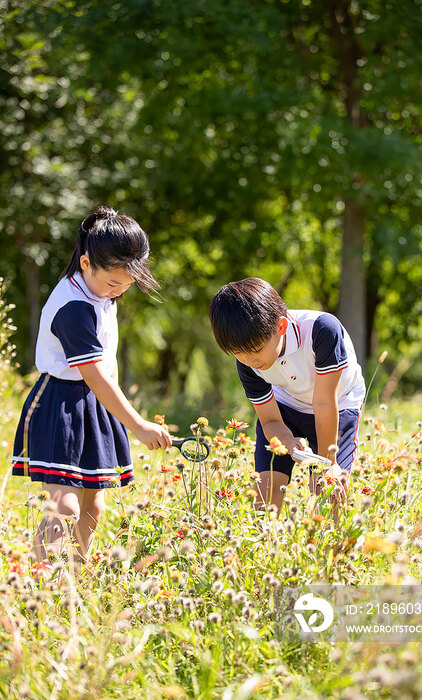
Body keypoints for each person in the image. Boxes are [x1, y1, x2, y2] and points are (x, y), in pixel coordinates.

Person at [11, 207, 172, 568]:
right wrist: (139, 425)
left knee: (94, 504)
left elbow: (104, 370)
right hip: (60, 404)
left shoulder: (101, 290)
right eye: (114, 283)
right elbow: (93, 374)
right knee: (64, 506)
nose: (120, 290)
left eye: (127, 283)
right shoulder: (73, 308)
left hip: (95, 402)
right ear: (86, 262)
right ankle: (41, 588)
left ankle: (75, 579)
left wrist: (118, 410)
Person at [209, 277, 365, 517]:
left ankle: (337, 553)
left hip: (337, 406)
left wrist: (327, 465)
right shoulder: (248, 363)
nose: (249, 361)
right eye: (238, 353)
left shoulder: (322, 330)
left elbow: (324, 403)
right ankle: (262, 549)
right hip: (286, 406)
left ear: (281, 327)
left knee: (330, 491)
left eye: (255, 351)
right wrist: (289, 444)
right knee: (266, 491)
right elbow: (270, 421)